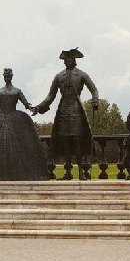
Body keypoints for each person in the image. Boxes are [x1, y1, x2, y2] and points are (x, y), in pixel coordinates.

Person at [0, 68, 48, 181]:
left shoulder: (17, 91)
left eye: (8, 75)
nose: (6, 77)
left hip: (15, 118)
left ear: (11, 76)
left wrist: (34, 109)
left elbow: (26, 104)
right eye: (5, 75)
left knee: (20, 145)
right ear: (3, 77)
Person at [35, 48, 99, 180]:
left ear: (74, 60)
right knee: (66, 141)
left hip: (76, 110)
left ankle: (81, 172)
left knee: (77, 140)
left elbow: (94, 89)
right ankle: (68, 172)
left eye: (69, 59)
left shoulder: (81, 75)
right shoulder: (59, 76)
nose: (67, 61)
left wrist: (95, 100)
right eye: (65, 59)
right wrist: (39, 107)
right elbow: (51, 95)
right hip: (63, 111)